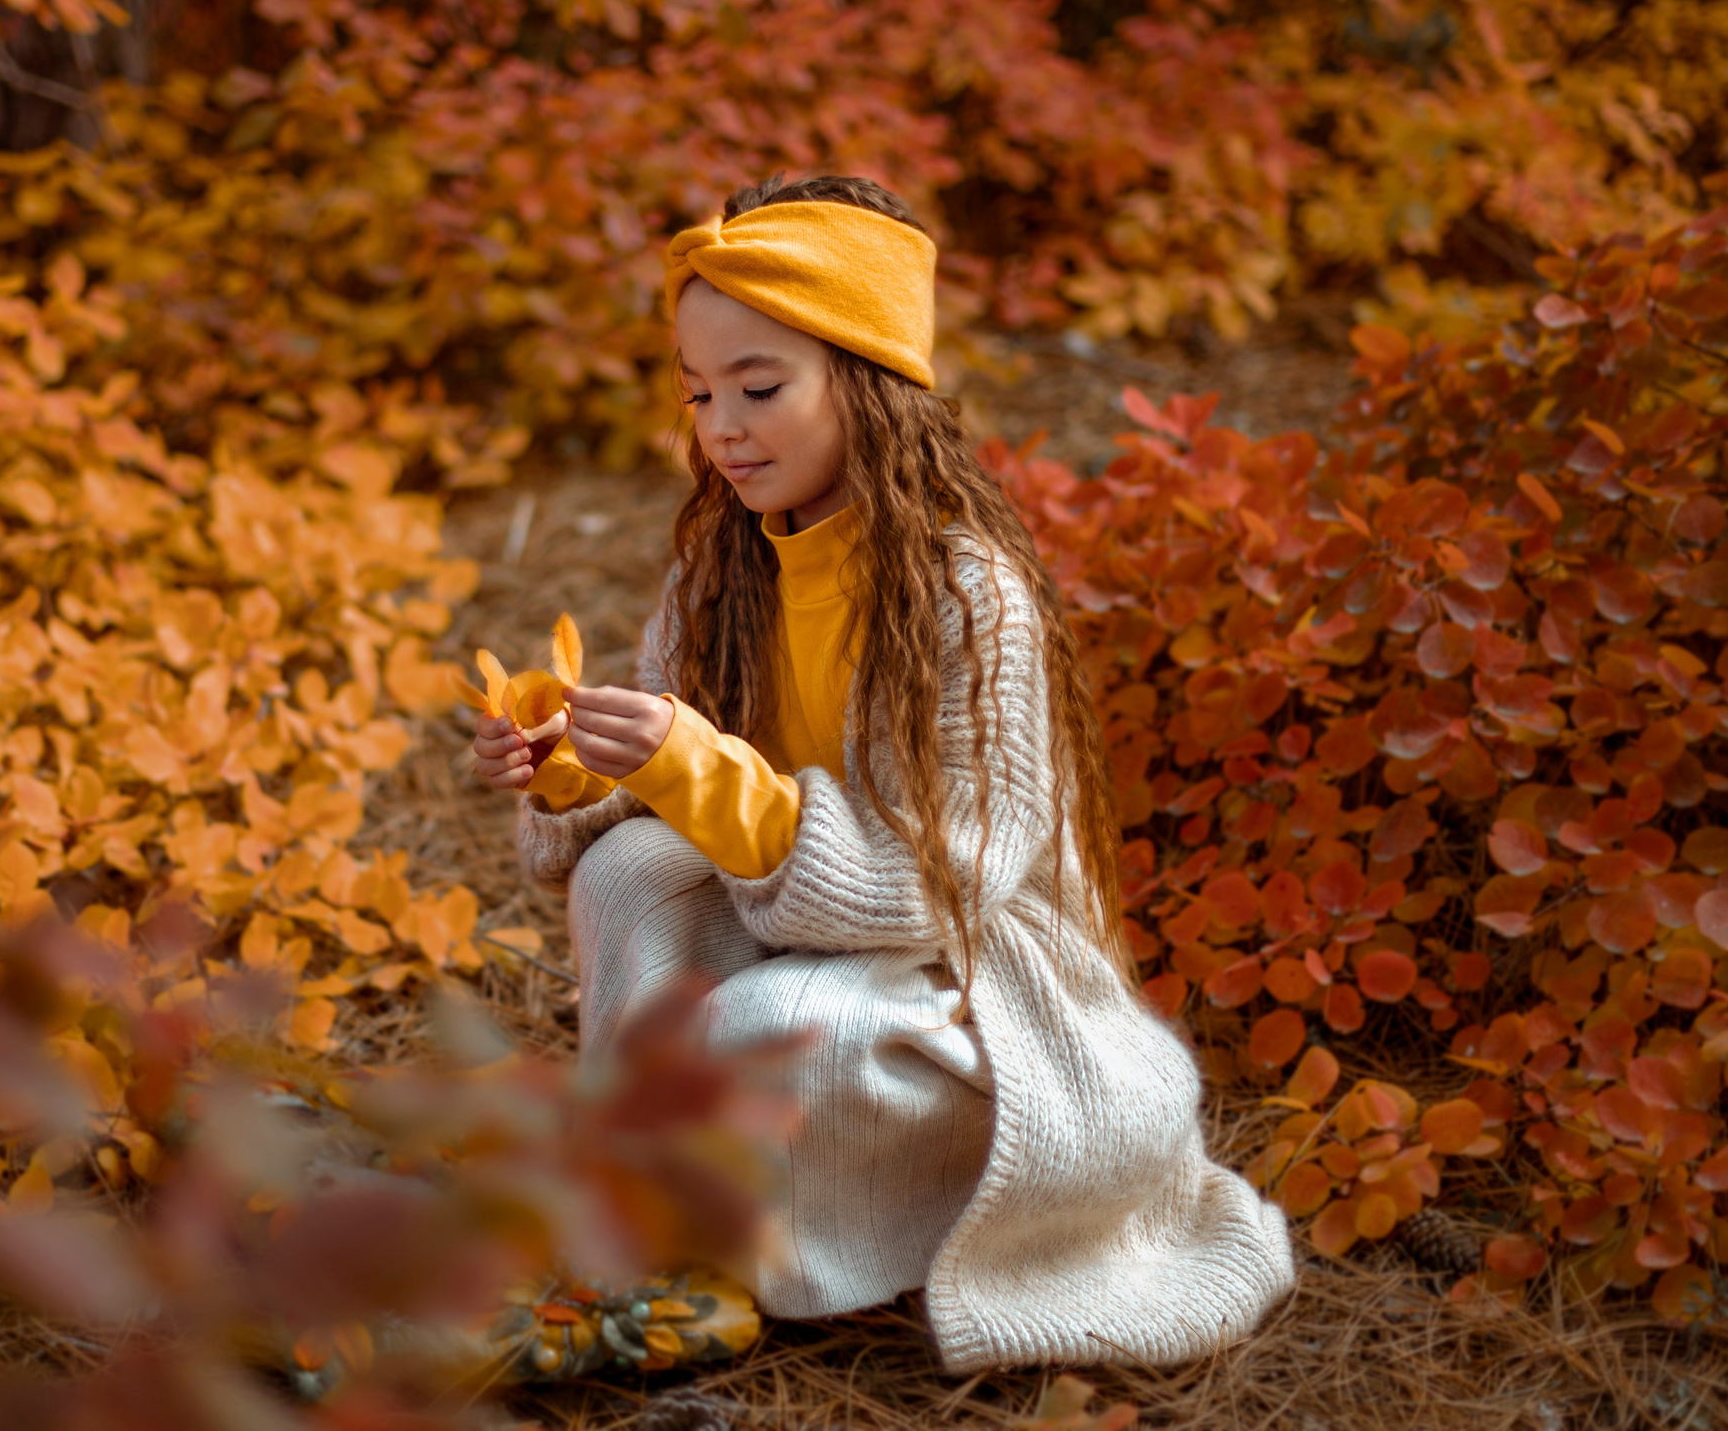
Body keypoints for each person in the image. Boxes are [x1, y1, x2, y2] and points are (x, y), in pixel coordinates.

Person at [468, 173, 1296, 1373]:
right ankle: (643, 1209)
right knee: (630, 874)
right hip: (791, 918)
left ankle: (813, 1257)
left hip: (967, 971)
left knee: (777, 1024)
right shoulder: (719, 570)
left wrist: (694, 767)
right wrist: (570, 773)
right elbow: (677, 795)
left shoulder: (966, 595)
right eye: (700, 394)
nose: (723, 427)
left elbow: (932, 887)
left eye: (760, 388)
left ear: (865, 381)